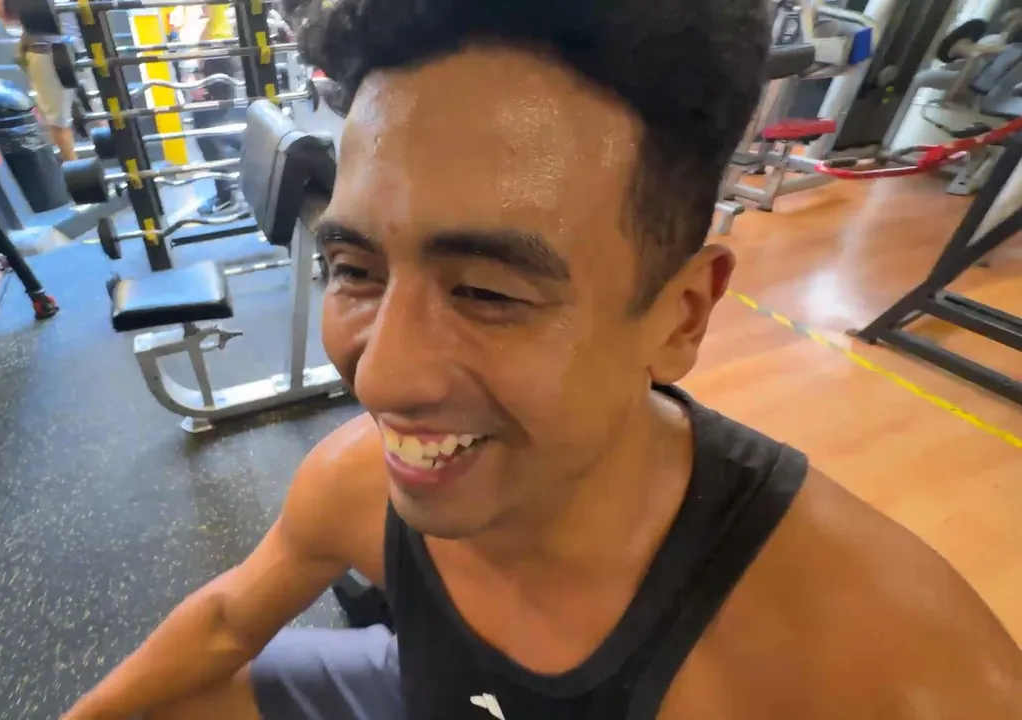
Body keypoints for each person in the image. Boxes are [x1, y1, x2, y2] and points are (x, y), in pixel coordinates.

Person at [64, 1, 1022, 718]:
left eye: (488, 292)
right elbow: (226, 623)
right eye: (355, 268)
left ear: (682, 315)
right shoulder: (355, 485)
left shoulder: (893, 669)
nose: (381, 381)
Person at [0, 0, 79, 161]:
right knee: (60, 120)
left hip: (68, 48)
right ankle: (77, 170)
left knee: (64, 119)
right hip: (54, 49)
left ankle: (79, 167)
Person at [191, 6, 246, 215]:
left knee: (209, 135)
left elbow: (219, 68)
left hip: (216, 75)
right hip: (214, 74)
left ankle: (226, 197)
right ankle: (227, 193)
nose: (202, 6)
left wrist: (202, 84)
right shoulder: (214, 25)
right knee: (212, 133)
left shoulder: (218, 30)